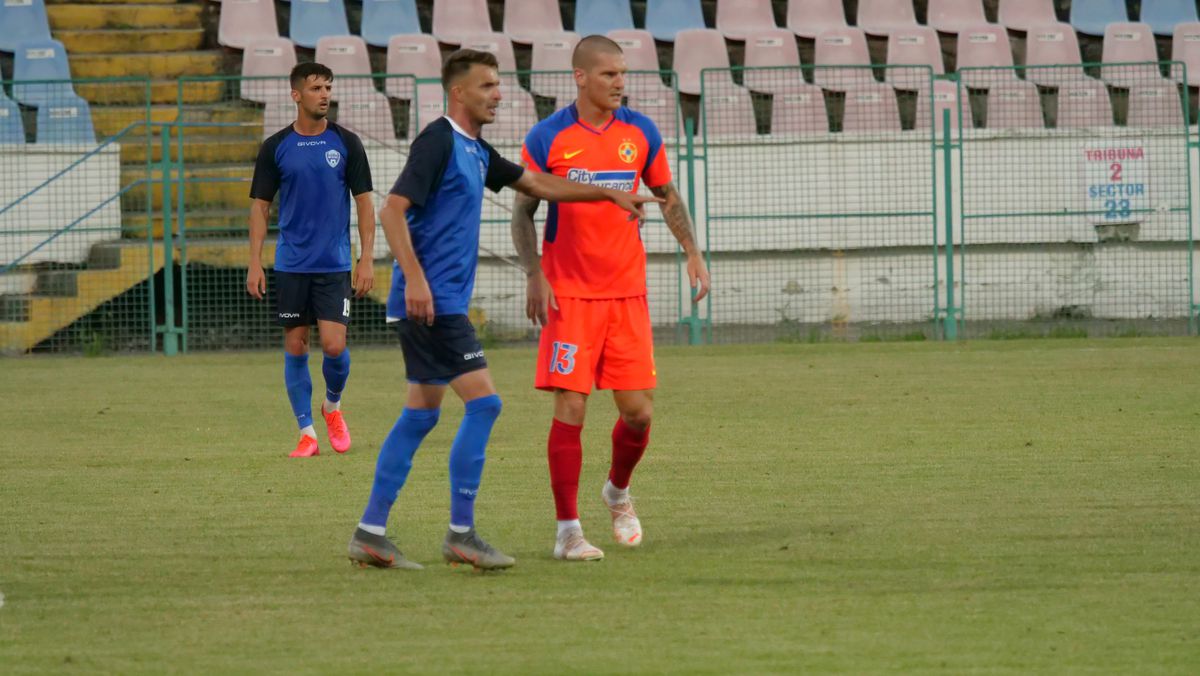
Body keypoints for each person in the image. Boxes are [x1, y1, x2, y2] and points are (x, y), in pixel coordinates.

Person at [346, 49, 662, 571]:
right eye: (488, 86)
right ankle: (461, 534)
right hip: (433, 304)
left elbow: (537, 184)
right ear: (459, 93)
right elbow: (392, 209)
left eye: (499, 85)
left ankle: (370, 532)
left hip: (431, 303)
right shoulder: (439, 140)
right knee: (485, 404)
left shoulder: (476, 150)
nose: (498, 94)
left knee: (420, 416)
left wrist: (607, 193)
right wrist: (417, 280)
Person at [511, 36, 711, 561]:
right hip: (569, 296)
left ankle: (617, 492)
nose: (620, 83)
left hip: (626, 293)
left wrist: (692, 251)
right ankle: (567, 531)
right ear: (580, 77)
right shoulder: (547, 136)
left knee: (639, 414)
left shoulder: (640, 132)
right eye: (609, 75)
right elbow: (522, 212)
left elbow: (667, 197)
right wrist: (534, 272)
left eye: (623, 74)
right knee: (571, 406)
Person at [247, 62, 376, 459]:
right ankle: (307, 433)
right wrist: (254, 261)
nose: (324, 94)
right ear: (296, 94)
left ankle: (332, 408)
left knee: (335, 347)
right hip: (290, 265)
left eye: (328, 87)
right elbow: (259, 208)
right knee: (296, 345)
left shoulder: (346, 143)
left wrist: (366, 258)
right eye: (316, 87)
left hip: (335, 263)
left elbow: (365, 205)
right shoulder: (276, 147)